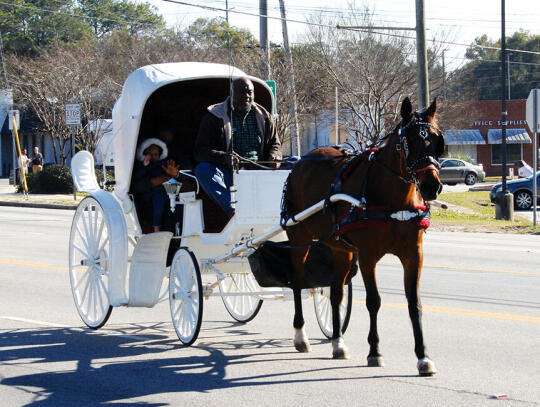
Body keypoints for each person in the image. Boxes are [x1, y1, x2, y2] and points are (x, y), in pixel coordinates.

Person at [194, 77, 282, 217]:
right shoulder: (214, 116)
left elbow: (275, 144)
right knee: (202, 170)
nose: (246, 96)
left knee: (296, 161)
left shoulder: (264, 116)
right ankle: (235, 212)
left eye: (250, 92)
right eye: (242, 92)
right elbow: (200, 151)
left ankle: (289, 210)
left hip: (261, 172)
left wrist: (275, 155)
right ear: (232, 92)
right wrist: (223, 157)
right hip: (230, 174)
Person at [133, 138, 177, 232]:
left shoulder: (163, 164)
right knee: (158, 208)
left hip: (165, 191)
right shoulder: (143, 167)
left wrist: (171, 175)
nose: (153, 157)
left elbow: (169, 176)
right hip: (152, 193)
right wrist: (144, 166)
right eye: (150, 154)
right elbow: (138, 178)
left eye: (155, 154)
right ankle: (156, 228)